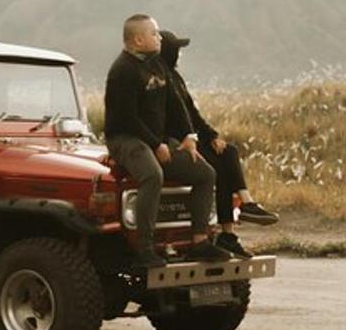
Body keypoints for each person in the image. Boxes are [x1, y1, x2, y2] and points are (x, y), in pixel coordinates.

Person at [104, 14, 232, 269]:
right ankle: (144, 248)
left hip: (155, 140)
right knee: (152, 175)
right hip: (125, 139)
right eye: (154, 33)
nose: (159, 37)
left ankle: (200, 241)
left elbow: (176, 106)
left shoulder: (157, 65)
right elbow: (126, 119)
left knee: (205, 173)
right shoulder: (123, 71)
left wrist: (189, 137)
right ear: (138, 40)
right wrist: (155, 144)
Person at [159, 30, 279, 259]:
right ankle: (230, 224)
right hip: (177, 142)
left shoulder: (176, 77)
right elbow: (174, 118)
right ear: (169, 52)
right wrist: (186, 139)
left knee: (228, 152)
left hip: (190, 138)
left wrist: (212, 136)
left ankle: (240, 214)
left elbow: (192, 113)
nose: (180, 55)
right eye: (177, 50)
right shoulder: (161, 79)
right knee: (215, 169)